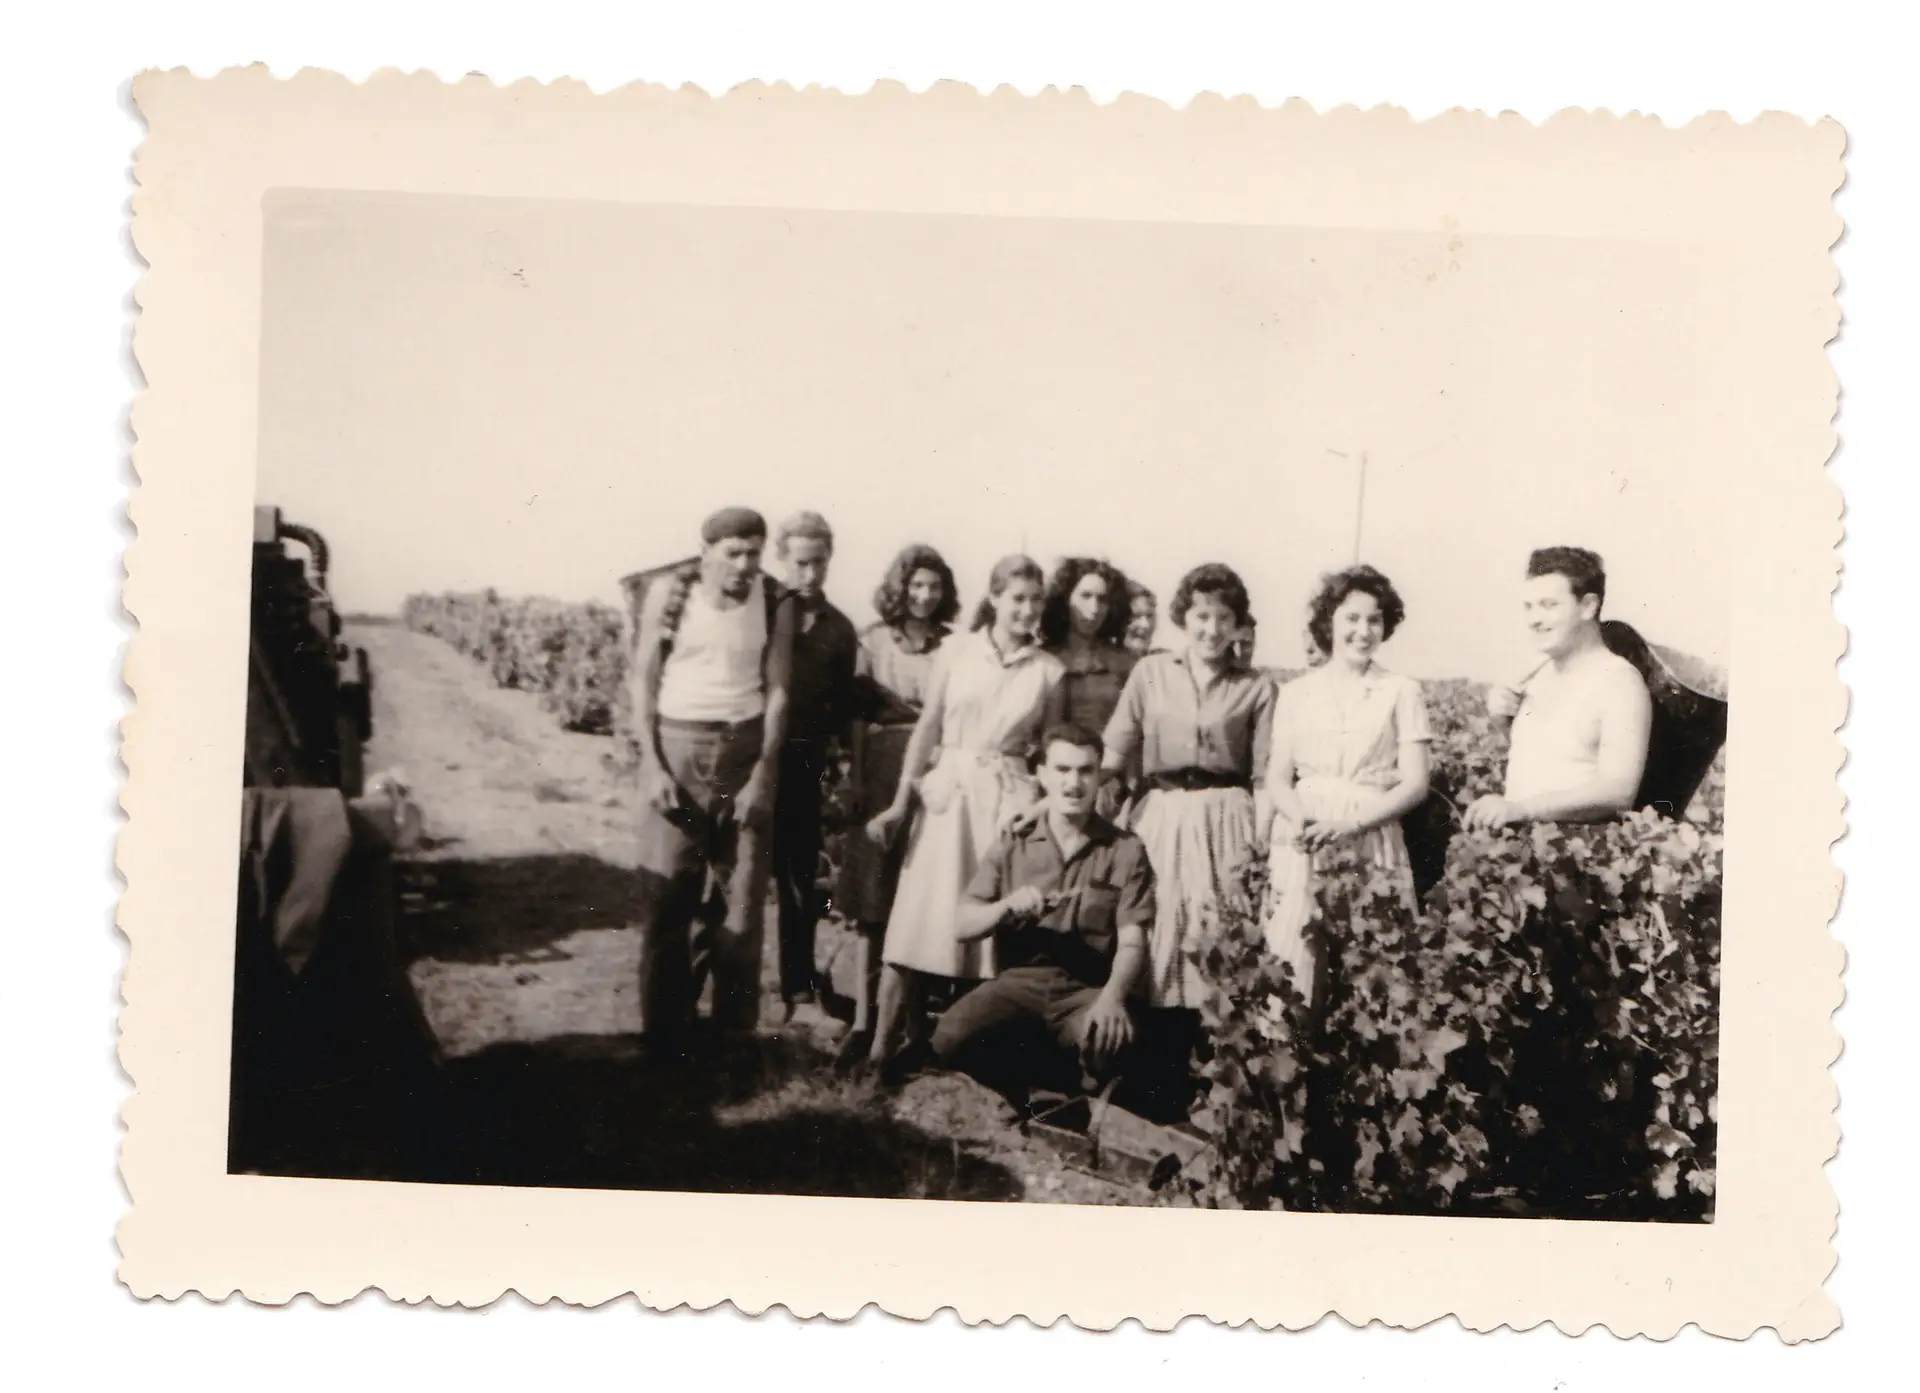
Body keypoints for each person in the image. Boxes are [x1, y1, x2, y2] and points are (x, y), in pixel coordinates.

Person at [864, 554, 1066, 1075]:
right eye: (1016, 598)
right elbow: (929, 727)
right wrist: (900, 802)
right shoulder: (956, 650)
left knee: (993, 929)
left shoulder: (1048, 671)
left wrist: (1040, 806)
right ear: (994, 598)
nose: (1026, 609)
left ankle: (971, 1057)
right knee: (919, 918)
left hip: (1007, 802)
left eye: (1035, 599)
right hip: (949, 795)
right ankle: (881, 1053)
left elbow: (1051, 751)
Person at [627, 506, 795, 1064]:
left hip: (744, 752)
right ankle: (664, 1038)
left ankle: (733, 1041)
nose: (746, 565)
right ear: (707, 552)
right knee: (667, 895)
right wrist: (652, 765)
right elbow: (643, 683)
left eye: (755, 553)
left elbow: (778, 692)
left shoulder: (774, 601)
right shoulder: (670, 595)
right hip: (679, 746)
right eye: (734, 553)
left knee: (742, 906)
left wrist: (763, 774)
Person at [932, 723, 1155, 1101]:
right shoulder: (1015, 840)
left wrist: (1113, 998)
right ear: (1042, 775)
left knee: (1112, 1042)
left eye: (1086, 771)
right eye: (1063, 770)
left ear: (1100, 776)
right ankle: (1023, 1084)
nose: (1074, 783)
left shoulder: (1125, 849)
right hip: (1019, 984)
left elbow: (1133, 941)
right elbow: (961, 923)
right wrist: (1005, 907)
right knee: (949, 1039)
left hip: (1084, 991)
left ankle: (1063, 1092)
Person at [1101, 563, 1275, 1011]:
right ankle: (1150, 1052)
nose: (1212, 629)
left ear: (1238, 624)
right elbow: (1114, 752)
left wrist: (1260, 842)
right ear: (1184, 618)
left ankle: (1216, 1055)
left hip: (1226, 817)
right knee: (1157, 922)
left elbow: (1265, 775)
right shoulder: (1150, 673)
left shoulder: (1255, 688)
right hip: (1162, 812)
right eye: (1201, 617)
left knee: (1221, 925)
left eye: (1223, 618)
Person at [1262, 566, 1434, 1008]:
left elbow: (1416, 783)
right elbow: (1278, 779)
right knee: (1295, 966)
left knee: (1372, 970)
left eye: (1374, 620)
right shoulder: (1296, 693)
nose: (1363, 631)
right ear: (1330, 622)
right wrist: (1303, 819)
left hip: (1371, 836)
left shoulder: (1401, 691)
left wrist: (1351, 823)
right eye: (1352, 618)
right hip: (1306, 839)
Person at [833, 544, 960, 1062]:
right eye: (916, 586)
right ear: (899, 588)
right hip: (882, 765)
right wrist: (858, 779)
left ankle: (910, 1026)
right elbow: (858, 721)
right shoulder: (874, 641)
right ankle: (863, 1021)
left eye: (934, 587)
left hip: (932, 770)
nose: (924, 596)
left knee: (920, 897)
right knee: (873, 900)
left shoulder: (954, 646)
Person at [1463, 547, 1653, 832]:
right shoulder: (1537, 676)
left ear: (1588, 606)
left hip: (1574, 857)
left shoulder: (1619, 683)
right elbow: (1549, 762)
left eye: (1548, 605)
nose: (1534, 619)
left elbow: (1618, 791)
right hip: (1523, 849)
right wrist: (1503, 723)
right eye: (1529, 606)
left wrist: (1520, 810)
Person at [768, 512, 861, 1022]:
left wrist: (843, 773)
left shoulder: (840, 630)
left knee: (801, 883)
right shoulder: (760, 614)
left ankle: (798, 993)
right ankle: (717, 1004)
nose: (810, 574)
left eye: (819, 563)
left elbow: (843, 707)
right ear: (782, 560)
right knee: (726, 881)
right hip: (747, 760)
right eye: (800, 563)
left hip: (804, 763)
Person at [1040, 558, 1140, 737]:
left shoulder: (1125, 662)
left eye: (1102, 600)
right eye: (1085, 596)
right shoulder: (1042, 660)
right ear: (1065, 599)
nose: (1094, 609)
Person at [1122, 580, 1160, 658]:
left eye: (1150, 616)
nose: (1146, 625)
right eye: (1135, 616)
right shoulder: (1101, 665)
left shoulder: (1163, 661)